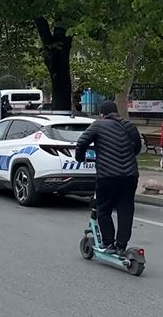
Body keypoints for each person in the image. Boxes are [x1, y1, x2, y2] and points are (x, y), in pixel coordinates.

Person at [75, 100, 142, 256]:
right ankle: (121, 245)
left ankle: (108, 242)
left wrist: (80, 158)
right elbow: (137, 148)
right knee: (126, 209)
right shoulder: (130, 126)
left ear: (102, 114)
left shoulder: (98, 125)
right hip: (130, 175)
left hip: (107, 176)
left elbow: (81, 143)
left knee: (103, 209)